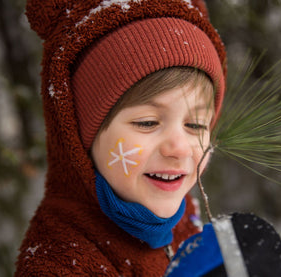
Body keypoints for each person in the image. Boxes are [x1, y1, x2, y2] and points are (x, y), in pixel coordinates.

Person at [15, 0, 227, 275]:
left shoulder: (182, 218)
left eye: (196, 125)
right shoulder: (59, 263)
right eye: (147, 122)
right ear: (80, 137)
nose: (180, 148)